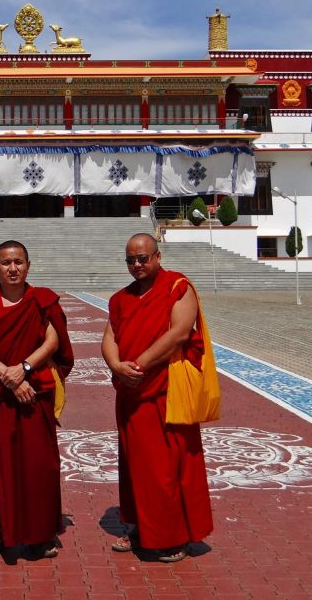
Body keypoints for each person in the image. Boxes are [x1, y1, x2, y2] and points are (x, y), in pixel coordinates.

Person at [101, 233, 213, 562]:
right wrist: (117, 366)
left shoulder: (178, 287)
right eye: (131, 260)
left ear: (158, 256)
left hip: (165, 388)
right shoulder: (120, 299)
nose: (137, 264)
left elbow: (179, 332)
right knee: (135, 464)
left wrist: (138, 365)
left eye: (143, 258)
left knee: (167, 466)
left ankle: (173, 535)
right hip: (131, 392)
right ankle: (137, 524)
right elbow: (109, 337)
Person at [0, 240, 74, 559]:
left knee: (39, 465)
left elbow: (53, 340)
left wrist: (24, 368)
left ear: (28, 265)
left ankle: (41, 532)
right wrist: (11, 377)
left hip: (35, 391)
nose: (12, 268)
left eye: (18, 262)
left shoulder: (41, 300)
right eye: (5, 263)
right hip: (0, 394)